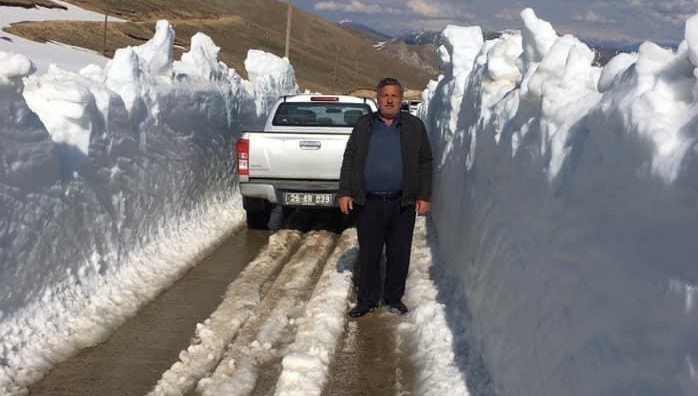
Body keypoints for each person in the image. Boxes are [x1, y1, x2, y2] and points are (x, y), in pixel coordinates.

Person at [338, 77, 433, 317]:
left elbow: (425, 162)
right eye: (385, 95)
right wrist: (345, 191)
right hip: (368, 202)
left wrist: (424, 195)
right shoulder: (363, 125)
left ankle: (393, 298)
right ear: (377, 99)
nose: (389, 100)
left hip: (402, 202)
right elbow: (349, 158)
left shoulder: (414, 127)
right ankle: (367, 299)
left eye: (394, 96)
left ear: (401, 100)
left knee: (399, 252)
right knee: (369, 253)